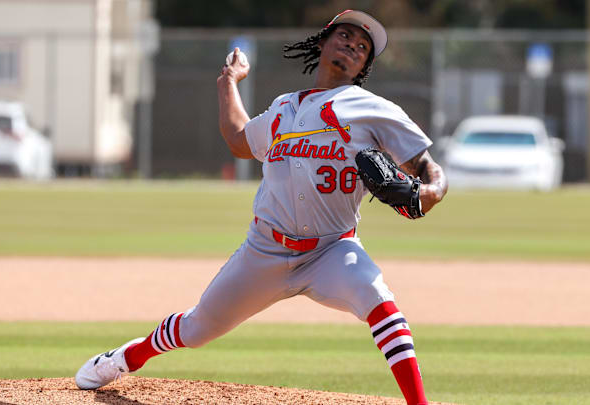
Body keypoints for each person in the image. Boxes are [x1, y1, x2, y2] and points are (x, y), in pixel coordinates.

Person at [75, 10, 448, 405]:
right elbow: (239, 139)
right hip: (265, 250)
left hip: (333, 250)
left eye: (362, 48)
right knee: (198, 328)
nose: (351, 47)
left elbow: (428, 169)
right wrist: (228, 82)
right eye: (344, 36)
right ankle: (125, 358)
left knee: (381, 302)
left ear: (364, 66)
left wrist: (429, 192)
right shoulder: (285, 107)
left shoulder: (374, 110)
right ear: (322, 42)